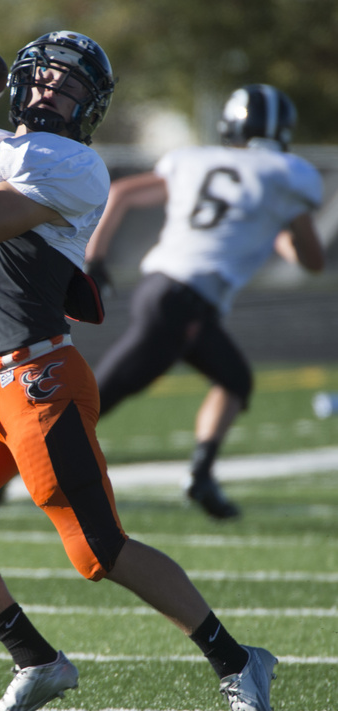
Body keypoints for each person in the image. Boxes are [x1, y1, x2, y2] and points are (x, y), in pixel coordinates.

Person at [0, 33, 277, 711]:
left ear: (90, 105)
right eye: (43, 81)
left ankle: (238, 659)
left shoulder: (75, 165)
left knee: (99, 549)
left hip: (41, 382)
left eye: (70, 87)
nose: (51, 95)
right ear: (21, 83)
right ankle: (38, 659)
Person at [85, 84, 325, 520]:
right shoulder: (286, 174)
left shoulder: (192, 160)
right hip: (185, 300)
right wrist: (281, 231)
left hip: (166, 290)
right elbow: (311, 259)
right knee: (97, 399)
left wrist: (95, 260)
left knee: (234, 379)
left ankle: (201, 475)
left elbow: (120, 194)